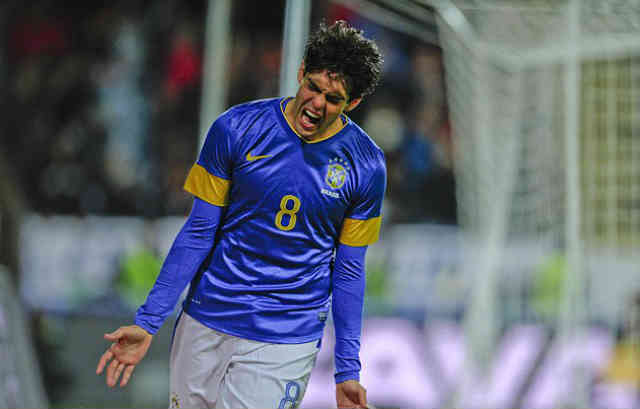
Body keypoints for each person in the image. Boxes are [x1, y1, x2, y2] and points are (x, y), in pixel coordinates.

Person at [96, 20, 385, 409]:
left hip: (286, 335)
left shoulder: (366, 167)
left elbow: (349, 270)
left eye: (332, 99)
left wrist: (347, 370)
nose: (317, 104)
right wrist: (149, 321)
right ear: (300, 73)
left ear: (352, 103)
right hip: (207, 318)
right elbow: (199, 231)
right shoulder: (235, 129)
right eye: (313, 87)